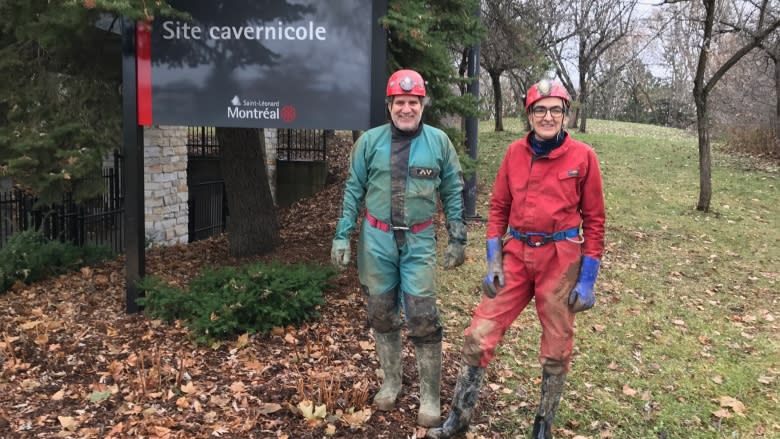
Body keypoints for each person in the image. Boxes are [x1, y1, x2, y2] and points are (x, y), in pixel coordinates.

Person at [427, 79, 606, 439]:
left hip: (561, 258)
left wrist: (587, 279)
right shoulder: (513, 154)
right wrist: (493, 259)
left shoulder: (583, 157)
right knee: (478, 334)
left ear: (565, 115)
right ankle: (458, 419)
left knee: (557, 344)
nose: (548, 116)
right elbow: (498, 209)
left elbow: (596, 221)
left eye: (556, 109)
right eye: (540, 109)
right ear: (529, 114)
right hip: (516, 255)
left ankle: (544, 425)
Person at [330, 69, 468, 427]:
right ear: (390, 104)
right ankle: (391, 381)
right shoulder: (369, 142)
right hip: (376, 241)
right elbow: (353, 190)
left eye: (413, 102)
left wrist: (457, 235)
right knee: (380, 312)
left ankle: (430, 395)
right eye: (400, 102)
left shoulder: (438, 142)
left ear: (422, 104)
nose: (406, 108)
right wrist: (342, 234)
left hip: (420, 240)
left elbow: (453, 189)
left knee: (422, 315)